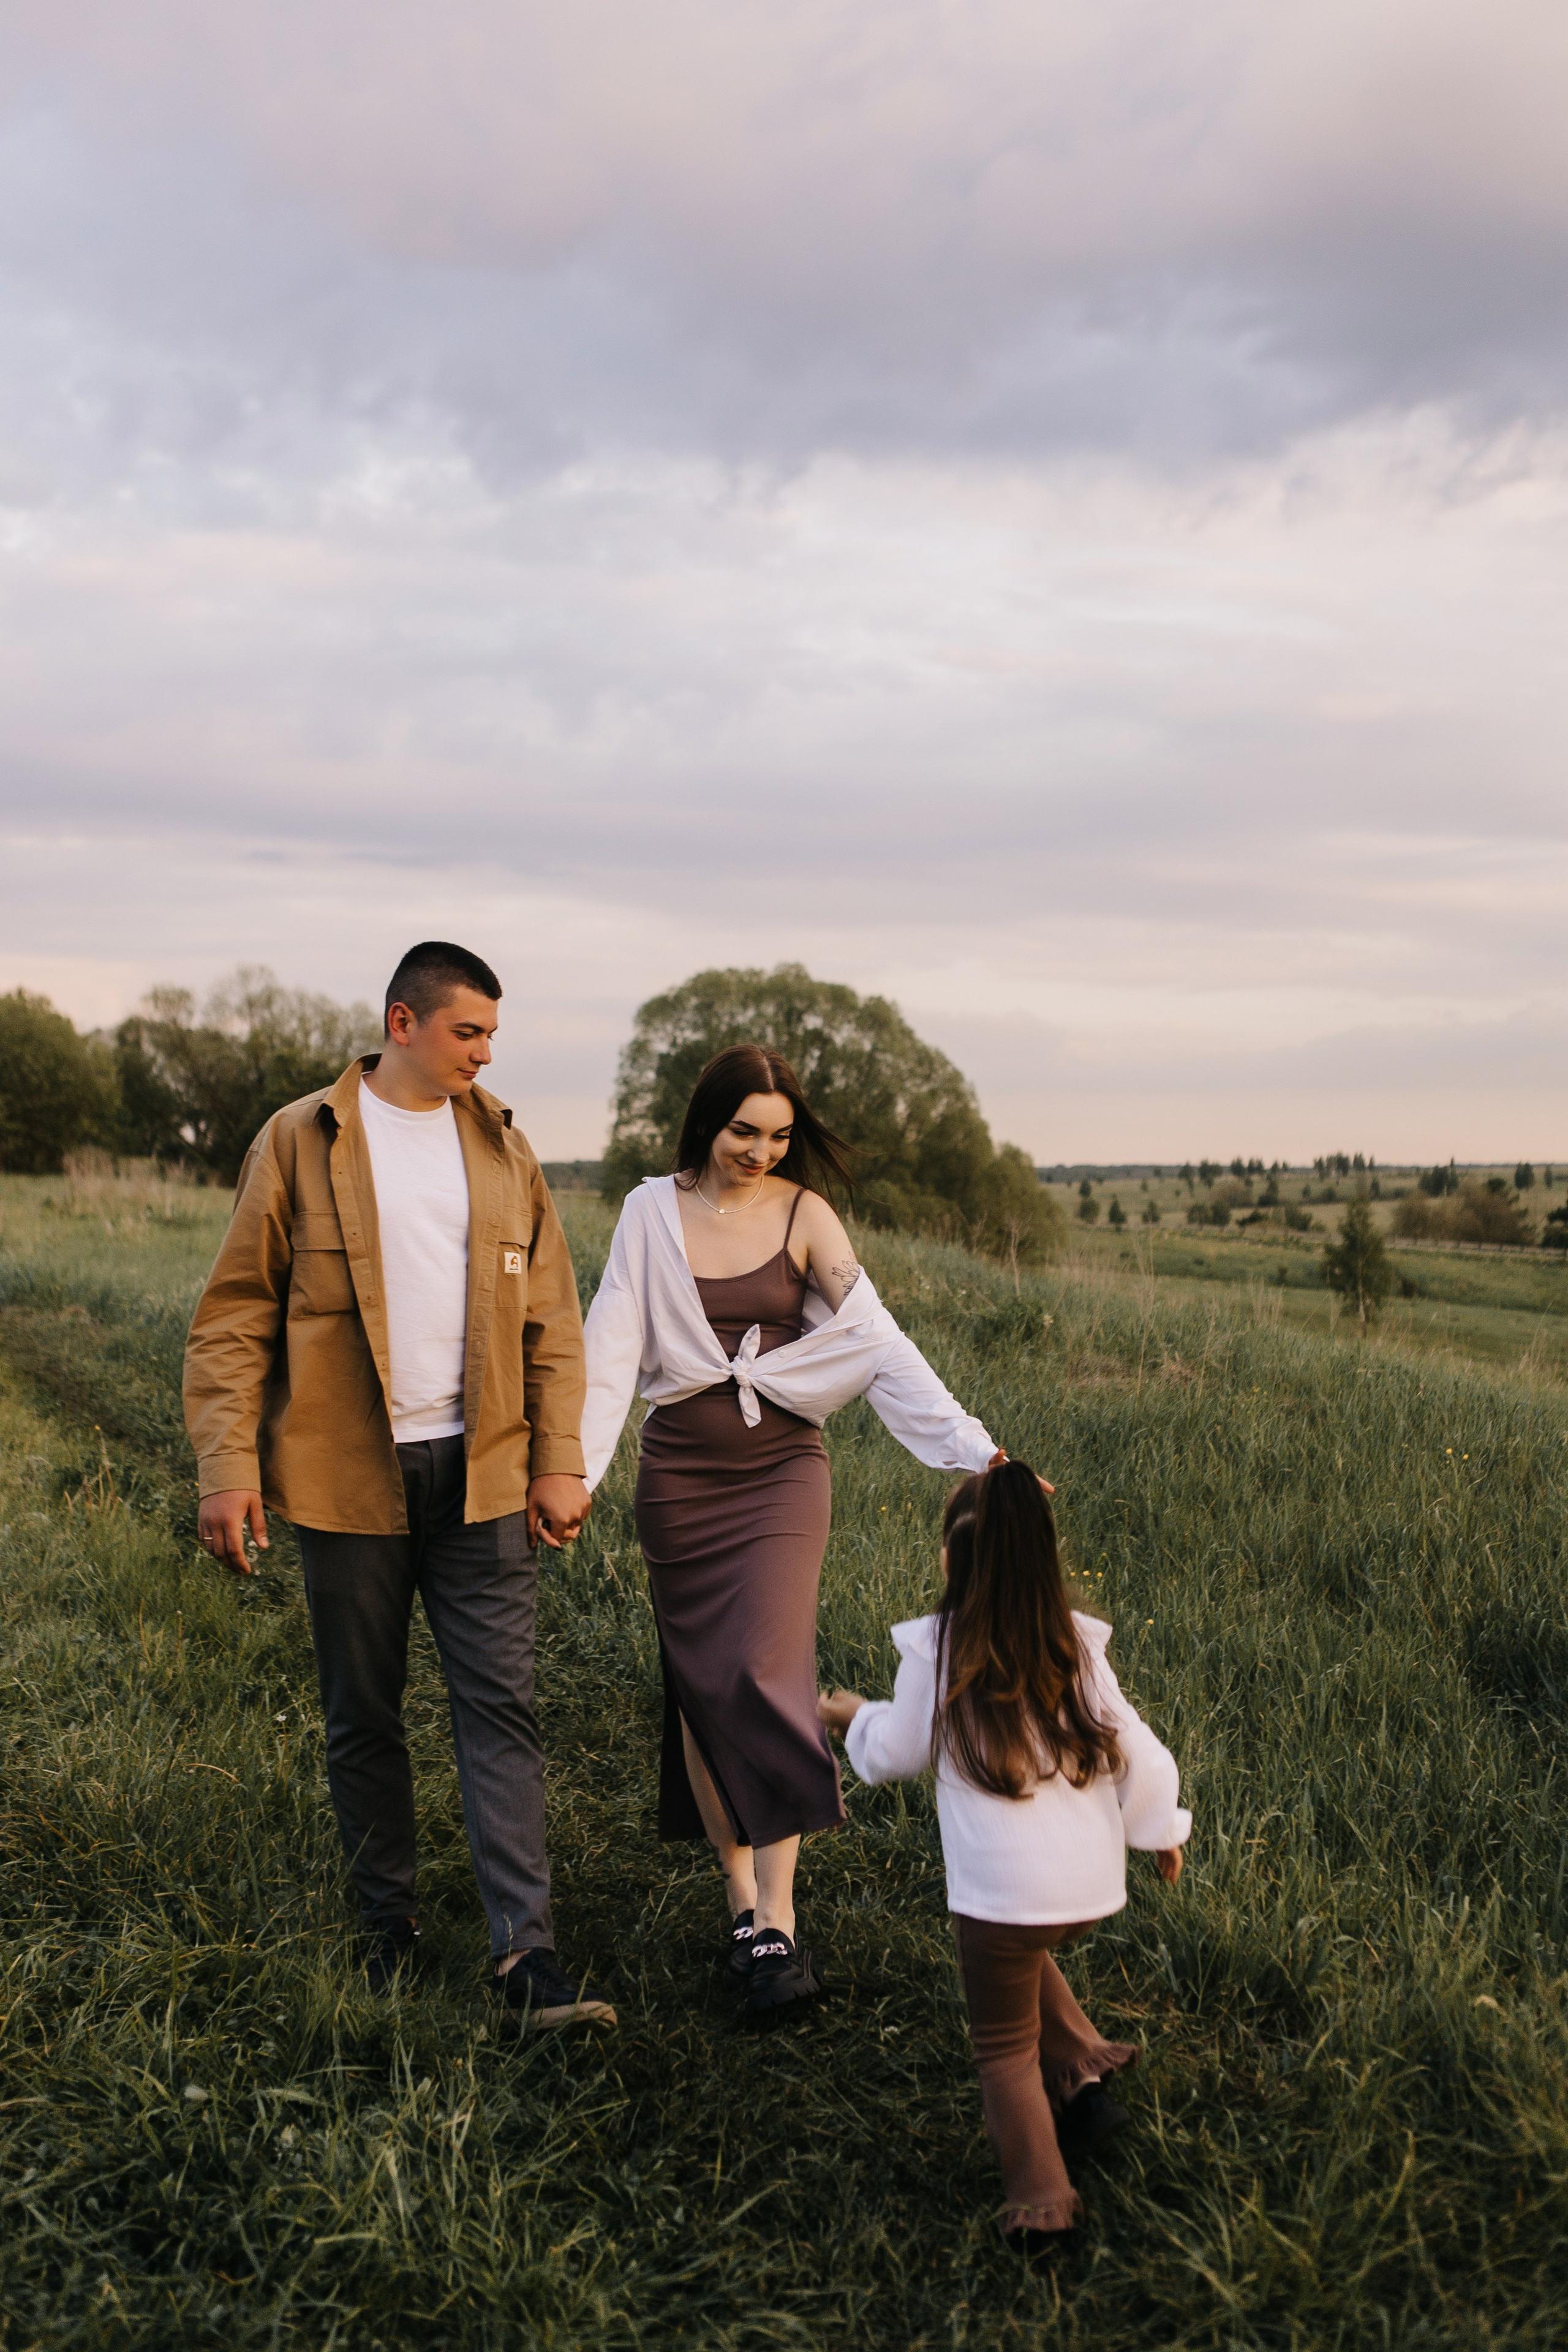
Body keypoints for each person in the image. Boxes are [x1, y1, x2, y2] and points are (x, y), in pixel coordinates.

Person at [183, 940, 614, 2031]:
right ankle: (389, 1923)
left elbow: (553, 1323)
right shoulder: (299, 1140)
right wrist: (227, 1467)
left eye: (492, 1036)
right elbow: (236, 1315)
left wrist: (559, 1457)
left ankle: (528, 1959)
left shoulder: (508, 1152)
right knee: (362, 1712)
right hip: (346, 1480)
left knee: (500, 1708)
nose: (484, 1053)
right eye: (468, 1031)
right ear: (403, 1021)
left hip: (484, 1474)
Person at [580, 1042, 1005, 2019]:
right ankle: (740, 1908)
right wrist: (574, 1473)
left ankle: (780, 1922)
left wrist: (975, 1453)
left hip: (782, 1478)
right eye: (743, 1132)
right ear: (706, 1123)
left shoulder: (807, 1216)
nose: (761, 1152)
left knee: (768, 1676)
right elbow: (610, 1350)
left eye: (778, 1135)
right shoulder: (650, 1213)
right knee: (702, 1688)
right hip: (680, 1476)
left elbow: (877, 1341)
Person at [818, 1462, 1189, 2259]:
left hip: (1001, 1898)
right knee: (1026, 1951)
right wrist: (1160, 1829)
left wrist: (851, 1717)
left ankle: (1042, 2202)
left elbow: (898, 1751)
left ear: (952, 1562)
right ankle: (1084, 2076)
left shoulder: (941, 1647)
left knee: (1002, 2052)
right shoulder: (1077, 1645)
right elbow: (1142, 1752)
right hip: (1089, 1889)